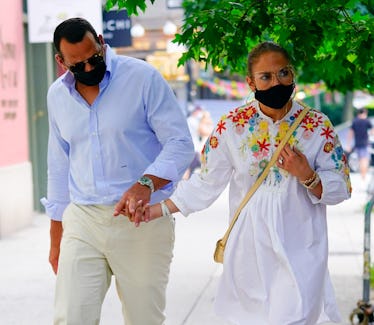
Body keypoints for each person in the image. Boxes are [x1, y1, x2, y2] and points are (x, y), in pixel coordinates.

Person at [125, 41, 352, 324]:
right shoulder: (232, 125)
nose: (276, 82)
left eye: (283, 73)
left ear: (293, 74)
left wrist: (307, 174)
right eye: (266, 77)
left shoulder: (318, 126)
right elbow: (206, 183)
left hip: (302, 246)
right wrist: (155, 210)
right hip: (249, 251)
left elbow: (341, 187)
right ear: (250, 82)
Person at [41, 17, 194, 325]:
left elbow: (180, 144)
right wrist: (56, 237)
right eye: (77, 65)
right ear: (61, 61)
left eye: (93, 58)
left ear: (100, 41)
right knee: (71, 316)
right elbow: (58, 167)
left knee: (143, 319)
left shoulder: (143, 79)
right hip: (83, 219)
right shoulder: (57, 96)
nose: (88, 69)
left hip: (142, 220)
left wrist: (146, 183)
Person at [184, 106, 214, 179]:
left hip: (195, 150)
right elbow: (203, 131)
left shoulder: (191, 120)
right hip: (196, 151)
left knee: (189, 171)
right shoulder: (192, 120)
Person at [348, 107, 373, 182]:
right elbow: (372, 131)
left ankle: (363, 175)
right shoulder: (367, 121)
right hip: (365, 144)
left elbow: (350, 133)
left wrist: (348, 144)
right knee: (365, 160)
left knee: (360, 160)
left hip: (357, 144)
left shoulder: (355, 121)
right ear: (364, 113)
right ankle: (363, 175)